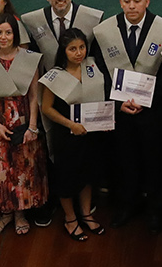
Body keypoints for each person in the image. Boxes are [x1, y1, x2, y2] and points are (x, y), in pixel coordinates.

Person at [92, 0, 162, 229]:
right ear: (120, 2)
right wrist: (116, 101)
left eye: (137, 0)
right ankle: (126, 205)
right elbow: (100, 71)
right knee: (124, 160)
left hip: (152, 111)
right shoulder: (105, 31)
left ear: (146, 1)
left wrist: (148, 101)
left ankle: (156, 210)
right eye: (126, 1)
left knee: (155, 161)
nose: (132, 6)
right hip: (120, 111)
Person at [0, 17, 45, 237]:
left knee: (23, 168)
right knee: (0, 170)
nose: (3, 38)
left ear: (15, 34)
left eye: (8, 33)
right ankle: (5, 213)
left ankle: (21, 214)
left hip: (24, 119)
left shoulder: (28, 59)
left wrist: (32, 125)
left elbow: (34, 94)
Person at [39, 27, 109, 240]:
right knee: (67, 177)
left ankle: (86, 214)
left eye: (81, 47)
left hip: (90, 134)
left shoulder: (93, 67)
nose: (79, 53)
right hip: (67, 136)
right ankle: (70, 219)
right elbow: (47, 108)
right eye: (72, 49)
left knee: (87, 174)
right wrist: (70, 124)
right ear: (63, 51)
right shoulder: (54, 76)